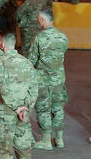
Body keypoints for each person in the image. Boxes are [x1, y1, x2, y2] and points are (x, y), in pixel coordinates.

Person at [0, 31, 38, 159]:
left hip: (6, 114)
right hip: (23, 114)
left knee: (4, 148)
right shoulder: (27, 62)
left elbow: (3, 90)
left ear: (1, 43)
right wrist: (26, 108)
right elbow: (34, 88)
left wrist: (15, 108)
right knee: (24, 147)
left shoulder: (0, 63)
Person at [28, 8, 69, 150]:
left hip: (42, 79)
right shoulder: (63, 37)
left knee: (43, 108)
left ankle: (46, 140)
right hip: (58, 78)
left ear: (42, 20)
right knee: (58, 108)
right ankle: (59, 139)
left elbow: (32, 59)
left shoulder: (39, 38)